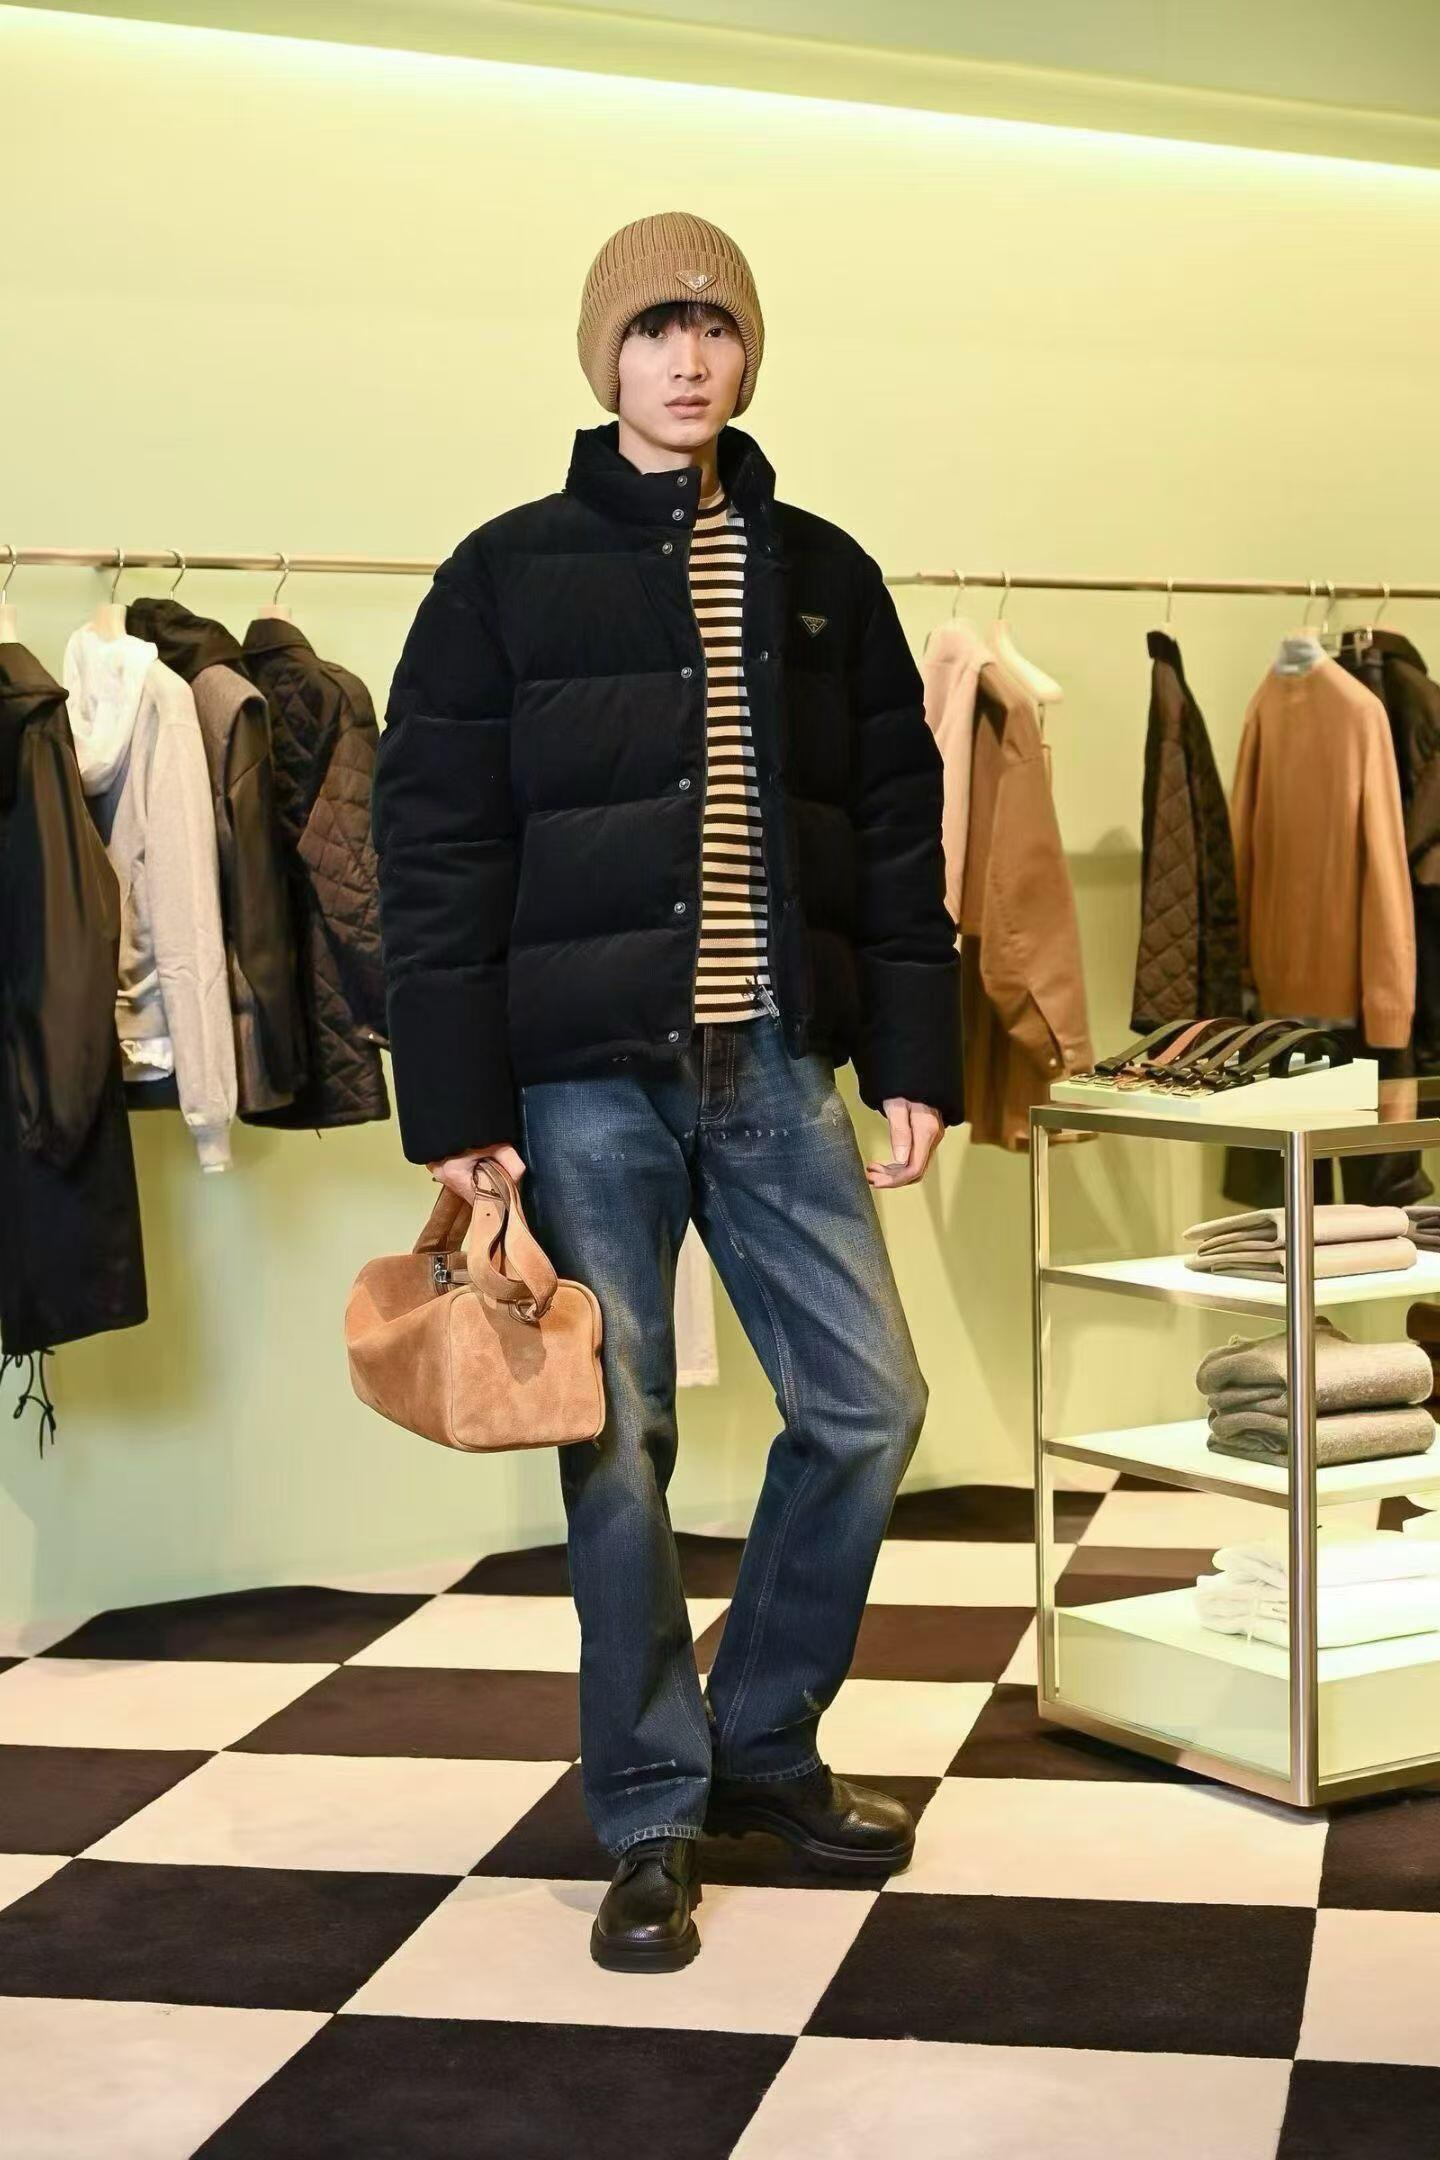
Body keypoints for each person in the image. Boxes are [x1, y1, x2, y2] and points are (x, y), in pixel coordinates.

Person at [372, 210, 962, 1973]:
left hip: (776, 1063)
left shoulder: (825, 573)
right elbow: (436, 847)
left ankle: (760, 1742)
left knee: (867, 1403)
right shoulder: (503, 573)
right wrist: (457, 1100)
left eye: (716, 328)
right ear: (606, 357)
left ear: (749, 354)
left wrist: (914, 1054)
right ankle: (646, 1810)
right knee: (616, 1440)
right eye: (655, 329)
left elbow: (894, 826)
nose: (688, 359)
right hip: (582, 1087)